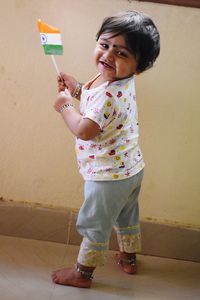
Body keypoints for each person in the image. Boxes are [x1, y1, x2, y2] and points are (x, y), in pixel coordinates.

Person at [52, 10, 160, 288]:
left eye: (121, 53)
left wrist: (65, 106)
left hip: (106, 177)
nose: (108, 56)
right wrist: (77, 89)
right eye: (104, 45)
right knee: (126, 215)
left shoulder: (110, 93)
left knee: (95, 223)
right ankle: (128, 257)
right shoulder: (115, 80)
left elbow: (85, 129)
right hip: (130, 169)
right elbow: (96, 100)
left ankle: (82, 273)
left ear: (139, 65)